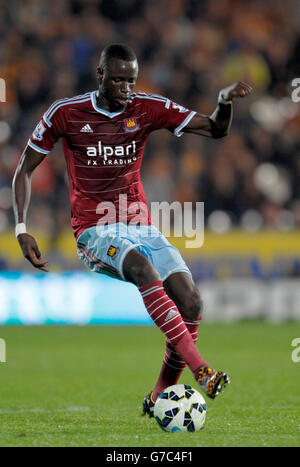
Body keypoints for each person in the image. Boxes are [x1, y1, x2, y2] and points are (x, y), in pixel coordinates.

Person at [12, 44, 252, 417]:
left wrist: (224, 101)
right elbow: (24, 168)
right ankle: (202, 370)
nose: (126, 88)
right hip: (94, 230)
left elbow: (216, 129)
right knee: (143, 269)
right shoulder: (65, 113)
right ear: (100, 75)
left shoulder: (147, 107)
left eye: (132, 80)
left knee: (191, 301)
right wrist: (22, 228)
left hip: (141, 225)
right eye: (119, 79)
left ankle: (158, 397)